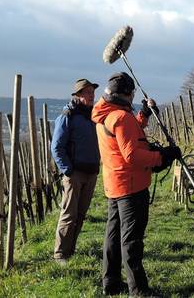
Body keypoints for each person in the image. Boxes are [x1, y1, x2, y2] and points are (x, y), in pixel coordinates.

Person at [91, 72, 181, 296]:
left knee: (113, 236)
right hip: (131, 186)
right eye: (131, 94)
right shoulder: (122, 117)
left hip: (115, 184)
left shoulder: (105, 114)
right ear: (126, 94)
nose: (133, 98)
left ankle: (110, 282)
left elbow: (125, 135)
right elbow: (132, 155)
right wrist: (163, 156)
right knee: (132, 240)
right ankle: (139, 290)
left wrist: (143, 116)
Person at [51, 78, 100, 264]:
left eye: (92, 93)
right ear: (78, 95)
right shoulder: (67, 116)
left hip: (91, 172)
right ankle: (60, 254)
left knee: (80, 214)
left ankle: (71, 250)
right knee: (69, 214)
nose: (91, 96)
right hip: (75, 174)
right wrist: (67, 170)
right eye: (88, 93)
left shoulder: (93, 116)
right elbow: (56, 147)